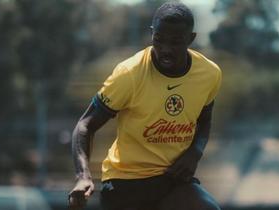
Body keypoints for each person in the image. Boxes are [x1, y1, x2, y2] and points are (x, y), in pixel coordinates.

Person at [68, 1, 222, 210]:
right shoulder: (129, 74)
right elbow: (85, 125)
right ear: (152, 33)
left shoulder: (209, 74)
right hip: (125, 183)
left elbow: (204, 120)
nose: (165, 49)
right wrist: (83, 176)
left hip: (171, 180)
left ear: (191, 38)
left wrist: (194, 152)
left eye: (175, 42)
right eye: (159, 40)